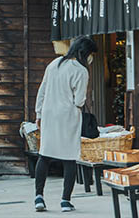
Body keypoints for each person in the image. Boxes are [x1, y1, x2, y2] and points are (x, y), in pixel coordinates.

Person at [33, 35, 97, 212]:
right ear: (86, 53)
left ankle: (39, 197)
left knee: (44, 154)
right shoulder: (81, 71)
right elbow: (79, 100)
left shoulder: (55, 63)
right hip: (68, 115)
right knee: (70, 157)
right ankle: (65, 201)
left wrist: (38, 113)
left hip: (48, 113)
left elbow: (42, 90)